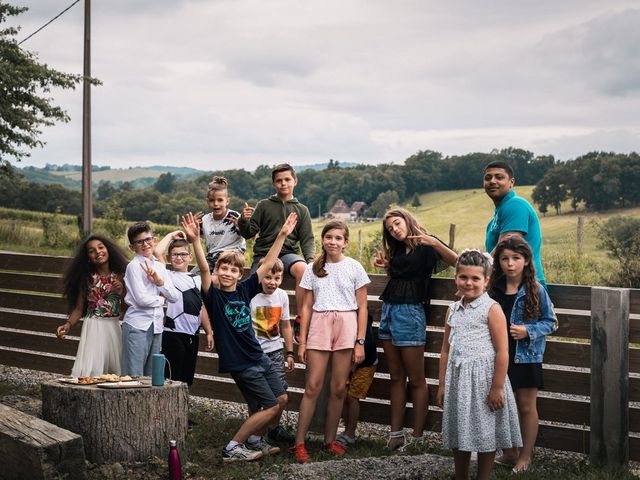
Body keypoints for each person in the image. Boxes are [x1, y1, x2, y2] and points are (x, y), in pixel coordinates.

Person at [182, 210, 298, 463]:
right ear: (218, 270)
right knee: (268, 406)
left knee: (281, 398)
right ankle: (233, 447)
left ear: (239, 274)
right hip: (240, 361)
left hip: (259, 355)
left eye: (232, 270)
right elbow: (203, 268)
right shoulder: (213, 296)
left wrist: (282, 235)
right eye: (223, 268)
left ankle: (256, 439)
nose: (226, 273)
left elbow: (267, 262)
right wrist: (194, 240)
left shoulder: (245, 290)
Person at [372, 208, 457, 450]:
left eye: (397, 224)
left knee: (417, 379)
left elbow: (457, 261)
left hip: (411, 313)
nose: (395, 230)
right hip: (389, 310)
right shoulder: (399, 248)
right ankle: (395, 434)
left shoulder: (427, 245)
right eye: (390, 228)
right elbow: (403, 275)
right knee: (396, 376)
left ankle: (417, 438)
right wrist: (387, 265)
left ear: (407, 220)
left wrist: (433, 242)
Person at [436, 249, 522, 480]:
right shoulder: (452, 310)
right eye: (463, 277)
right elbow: (445, 349)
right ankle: (460, 475)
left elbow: (503, 351)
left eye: (475, 278)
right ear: (456, 278)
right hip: (458, 379)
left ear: (486, 280)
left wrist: (496, 388)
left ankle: (483, 476)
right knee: (459, 430)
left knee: (486, 431)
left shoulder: (491, 309)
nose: (469, 283)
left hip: (485, 380)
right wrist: (442, 384)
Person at [291, 220, 370, 464]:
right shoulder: (313, 268)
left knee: (338, 388)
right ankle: (299, 443)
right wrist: (302, 343)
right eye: (329, 237)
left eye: (338, 238)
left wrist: (360, 342)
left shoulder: (355, 267)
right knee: (313, 386)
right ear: (322, 240)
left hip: (347, 325)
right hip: (320, 325)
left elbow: (363, 307)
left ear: (345, 243)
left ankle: (329, 440)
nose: (333, 242)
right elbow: (305, 306)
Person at [489, 236, 557, 473]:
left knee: (526, 406)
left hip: (525, 357)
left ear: (526, 260)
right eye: (505, 258)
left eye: (516, 258)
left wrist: (528, 331)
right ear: (498, 261)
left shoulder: (536, 290)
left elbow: (551, 322)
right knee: (502, 405)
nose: (510, 264)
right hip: (498, 356)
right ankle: (509, 453)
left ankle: (525, 457)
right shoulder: (492, 288)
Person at [238, 163, 314, 317]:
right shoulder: (264, 205)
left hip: (287, 254)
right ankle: (247, 324)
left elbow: (307, 239)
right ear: (274, 184)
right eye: (279, 180)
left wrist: (310, 260)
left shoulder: (302, 210)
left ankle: (301, 317)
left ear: (295, 181)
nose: (283, 183)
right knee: (253, 283)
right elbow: (248, 233)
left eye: (287, 179)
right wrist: (244, 221)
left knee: (304, 269)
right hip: (264, 255)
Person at [56, 235, 129, 377]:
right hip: (93, 327)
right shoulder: (87, 278)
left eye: (101, 247)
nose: (98, 252)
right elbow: (78, 308)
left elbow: (125, 309)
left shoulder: (120, 276)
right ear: (88, 257)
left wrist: (121, 292)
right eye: (92, 251)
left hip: (113, 327)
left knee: (115, 371)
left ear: (108, 249)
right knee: (92, 369)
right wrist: (68, 325)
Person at [154, 231, 214, 385]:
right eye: (174, 255)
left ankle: (181, 407)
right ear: (169, 258)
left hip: (192, 334)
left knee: (186, 379)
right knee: (171, 378)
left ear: (190, 257)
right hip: (172, 333)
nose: (179, 258)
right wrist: (171, 235)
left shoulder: (197, 279)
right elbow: (156, 252)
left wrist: (208, 332)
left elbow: (201, 307)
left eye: (183, 254)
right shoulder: (167, 275)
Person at [121, 222, 179, 377]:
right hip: (137, 325)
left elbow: (174, 297)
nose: (145, 244)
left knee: (152, 376)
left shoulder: (160, 266)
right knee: (133, 375)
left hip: (157, 326)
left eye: (148, 239)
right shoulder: (133, 267)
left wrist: (159, 282)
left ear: (154, 239)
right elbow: (141, 300)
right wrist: (162, 300)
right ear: (132, 247)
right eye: (139, 242)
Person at [249, 258, 296, 444]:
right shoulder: (251, 296)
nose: (272, 282)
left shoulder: (282, 295)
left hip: (275, 352)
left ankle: (273, 429)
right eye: (268, 277)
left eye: (277, 278)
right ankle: (254, 435)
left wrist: (290, 352)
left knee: (281, 396)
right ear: (260, 276)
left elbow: (285, 324)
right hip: (255, 354)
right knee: (256, 398)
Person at [483, 161, 546, 286]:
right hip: (504, 285)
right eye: (488, 178)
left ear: (511, 182)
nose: (492, 181)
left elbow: (506, 245)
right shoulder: (496, 216)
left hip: (525, 285)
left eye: (499, 177)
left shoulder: (516, 205)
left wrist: (479, 271)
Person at [336, 313, 378, 448]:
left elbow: (366, 349)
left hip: (364, 365)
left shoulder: (363, 323)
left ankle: (350, 433)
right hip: (348, 363)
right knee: (342, 395)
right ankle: (346, 429)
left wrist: (351, 369)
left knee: (352, 397)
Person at [198, 176, 245, 273]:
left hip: (231, 256)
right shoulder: (205, 220)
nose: (215, 204)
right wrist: (192, 229)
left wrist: (242, 226)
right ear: (207, 202)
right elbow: (191, 239)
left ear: (227, 201)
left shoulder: (235, 217)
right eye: (212, 200)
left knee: (215, 278)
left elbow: (248, 235)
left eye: (220, 200)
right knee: (194, 278)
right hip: (212, 257)